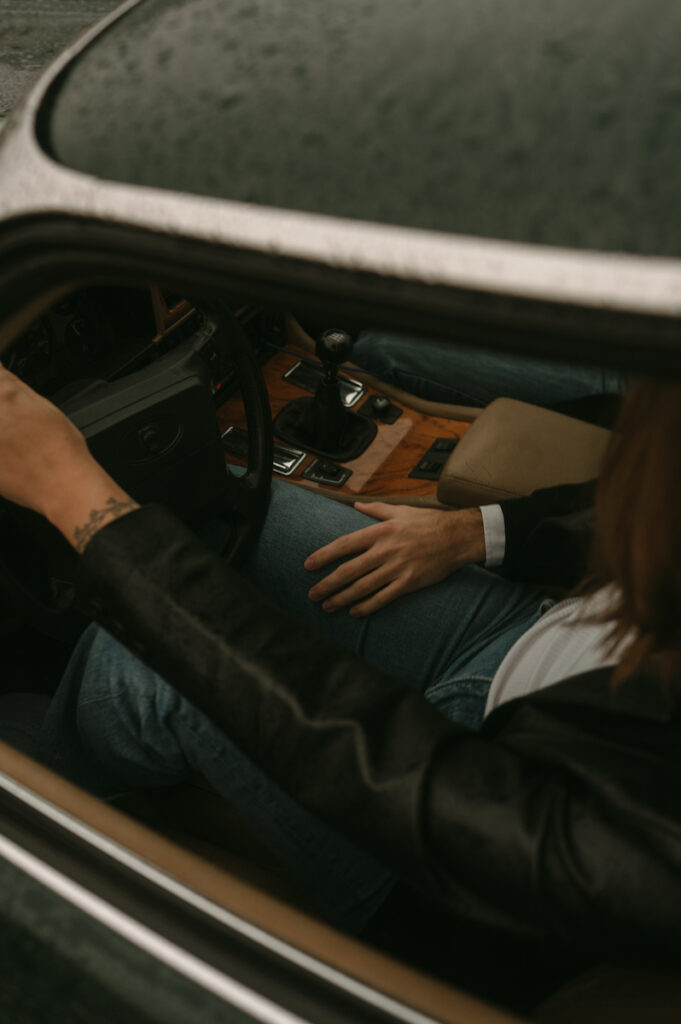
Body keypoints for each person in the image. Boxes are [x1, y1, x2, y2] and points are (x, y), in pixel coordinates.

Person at [0, 366, 679, 988]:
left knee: (140, 667)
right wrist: (477, 531)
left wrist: (72, 489)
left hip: (443, 882)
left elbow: (405, 775)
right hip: (527, 637)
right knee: (231, 511)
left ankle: (56, 789)